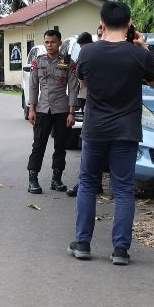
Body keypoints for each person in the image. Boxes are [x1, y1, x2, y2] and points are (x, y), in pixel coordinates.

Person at [70, 1, 154, 264]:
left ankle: (83, 243)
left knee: (88, 184)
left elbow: (84, 82)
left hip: (95, 129)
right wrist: (144, 48)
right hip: (126, 131)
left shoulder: (88, 53)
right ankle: (120, 250)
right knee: (123, 189)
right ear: (130, 24)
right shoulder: (139, 55)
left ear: (102, 24)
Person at [26, 29, 78, 193]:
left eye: (53, 42)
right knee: (38, 145)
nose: (49, 45)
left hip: (62, 110)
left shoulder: (67, 62)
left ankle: (57, 179)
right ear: (44, 43)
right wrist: (31, 109)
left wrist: (71, 112)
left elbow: (73, 86)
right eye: (47, 42)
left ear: (59, 43)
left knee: (60, 146)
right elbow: (33, 86)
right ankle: (33, 180)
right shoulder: (38, 61)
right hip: (42, 109)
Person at [66, 31, 94, 198]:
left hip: (88, 98)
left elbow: (81, 79)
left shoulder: (86, 52)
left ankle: (86, 184)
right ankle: (94, 183)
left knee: (88, 144)